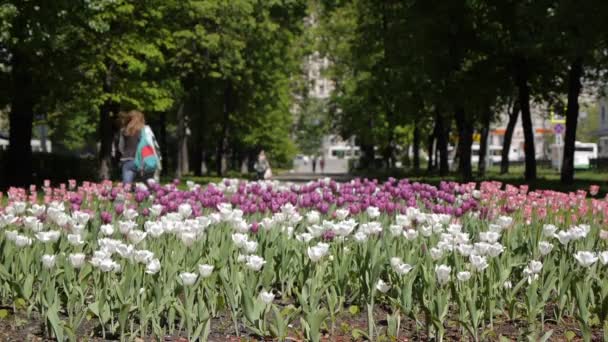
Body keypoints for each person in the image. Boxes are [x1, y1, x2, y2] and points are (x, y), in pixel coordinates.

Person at [118, 110, 160, 184]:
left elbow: (120, 147)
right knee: (147, 188)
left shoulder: (123, 131)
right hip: (143, 161)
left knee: (127, 189)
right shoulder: (146, 129)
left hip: (127, 161)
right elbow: (153, 144)